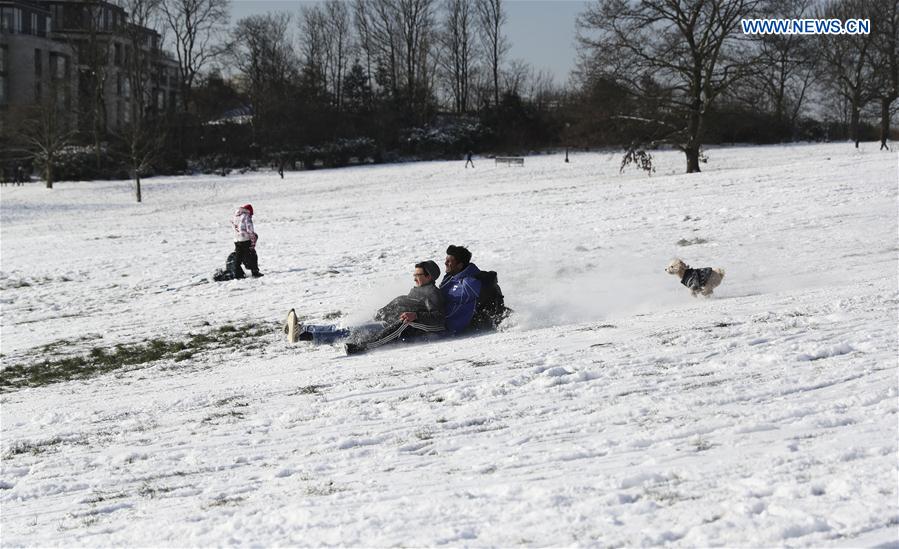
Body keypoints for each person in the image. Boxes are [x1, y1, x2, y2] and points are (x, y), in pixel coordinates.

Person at [286, 261, 445, 355]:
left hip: (388, 326)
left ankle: (304, 336)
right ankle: (302, 327)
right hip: (383, 319)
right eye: (414, 274)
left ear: (429, 276)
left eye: (417, 275)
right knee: (342, 326)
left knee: (347, 332)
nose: (414, 277)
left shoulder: (432, 294)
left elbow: (438, 319)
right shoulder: (419, 289)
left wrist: (415, 316)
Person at [440, 245, 483, 334]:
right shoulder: (450, 277)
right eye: (446, 260)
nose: (445, 263)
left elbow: (445, 301)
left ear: (460, 265)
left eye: (449, 261)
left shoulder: (470, 283)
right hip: (441, 323)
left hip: (451, 328)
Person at [231, 204, 263, 278]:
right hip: (245, 239)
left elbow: (234, 227)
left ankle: (237, 274)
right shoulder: (246, 217)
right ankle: (255, 272)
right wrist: (253, 238)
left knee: (238, 258)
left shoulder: (235, 216)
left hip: (237, 239)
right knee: (252, 255)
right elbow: (249, 230)